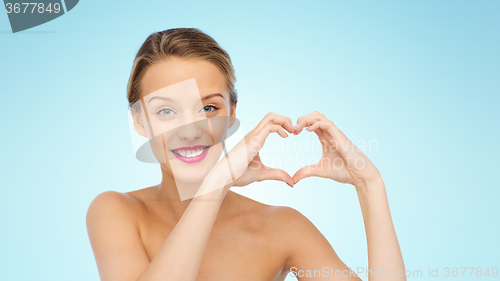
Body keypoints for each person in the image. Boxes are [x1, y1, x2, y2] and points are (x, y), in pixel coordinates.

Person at [86, 28, 406, 281]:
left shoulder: (281, 227)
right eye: (166, 111)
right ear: (140, 121)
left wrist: (369, 185)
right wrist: (215, 186)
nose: (189, 131)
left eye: (208, 108)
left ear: (231, 113)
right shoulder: (117, 213)